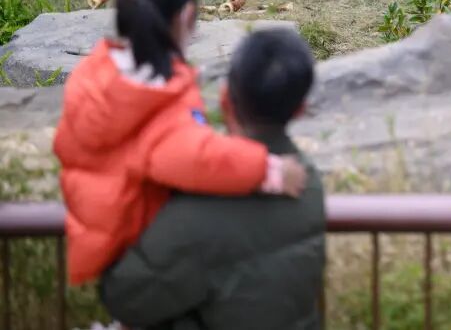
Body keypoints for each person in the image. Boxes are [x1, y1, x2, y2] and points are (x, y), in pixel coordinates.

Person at [53, 0, 307, 286]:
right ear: (187, 17)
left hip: (106, 242)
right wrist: (267, 170)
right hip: (145, 256)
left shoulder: (94, 74)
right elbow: (196, 157)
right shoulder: (154, 95)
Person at [100, 28, 326, 330]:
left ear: (224, 100)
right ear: (300, 109)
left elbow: (124, 298)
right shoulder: (308, 183)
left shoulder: (197, 208)